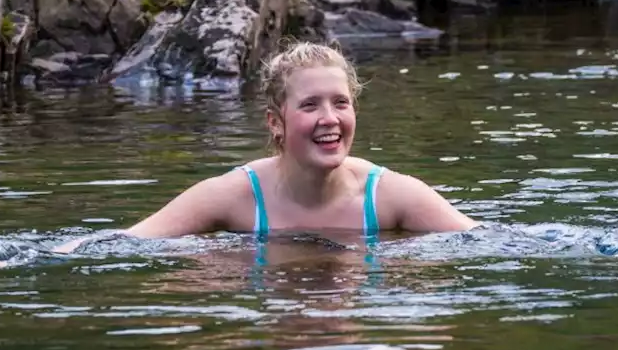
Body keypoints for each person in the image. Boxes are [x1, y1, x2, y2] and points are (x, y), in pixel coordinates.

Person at [122, 40, 477, 241]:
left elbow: (487, 240)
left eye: (341, 102)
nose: (330, 118)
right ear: (276, 122)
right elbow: (125, 244)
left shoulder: (390, 196)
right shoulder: (232, 196)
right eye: (310, 105)